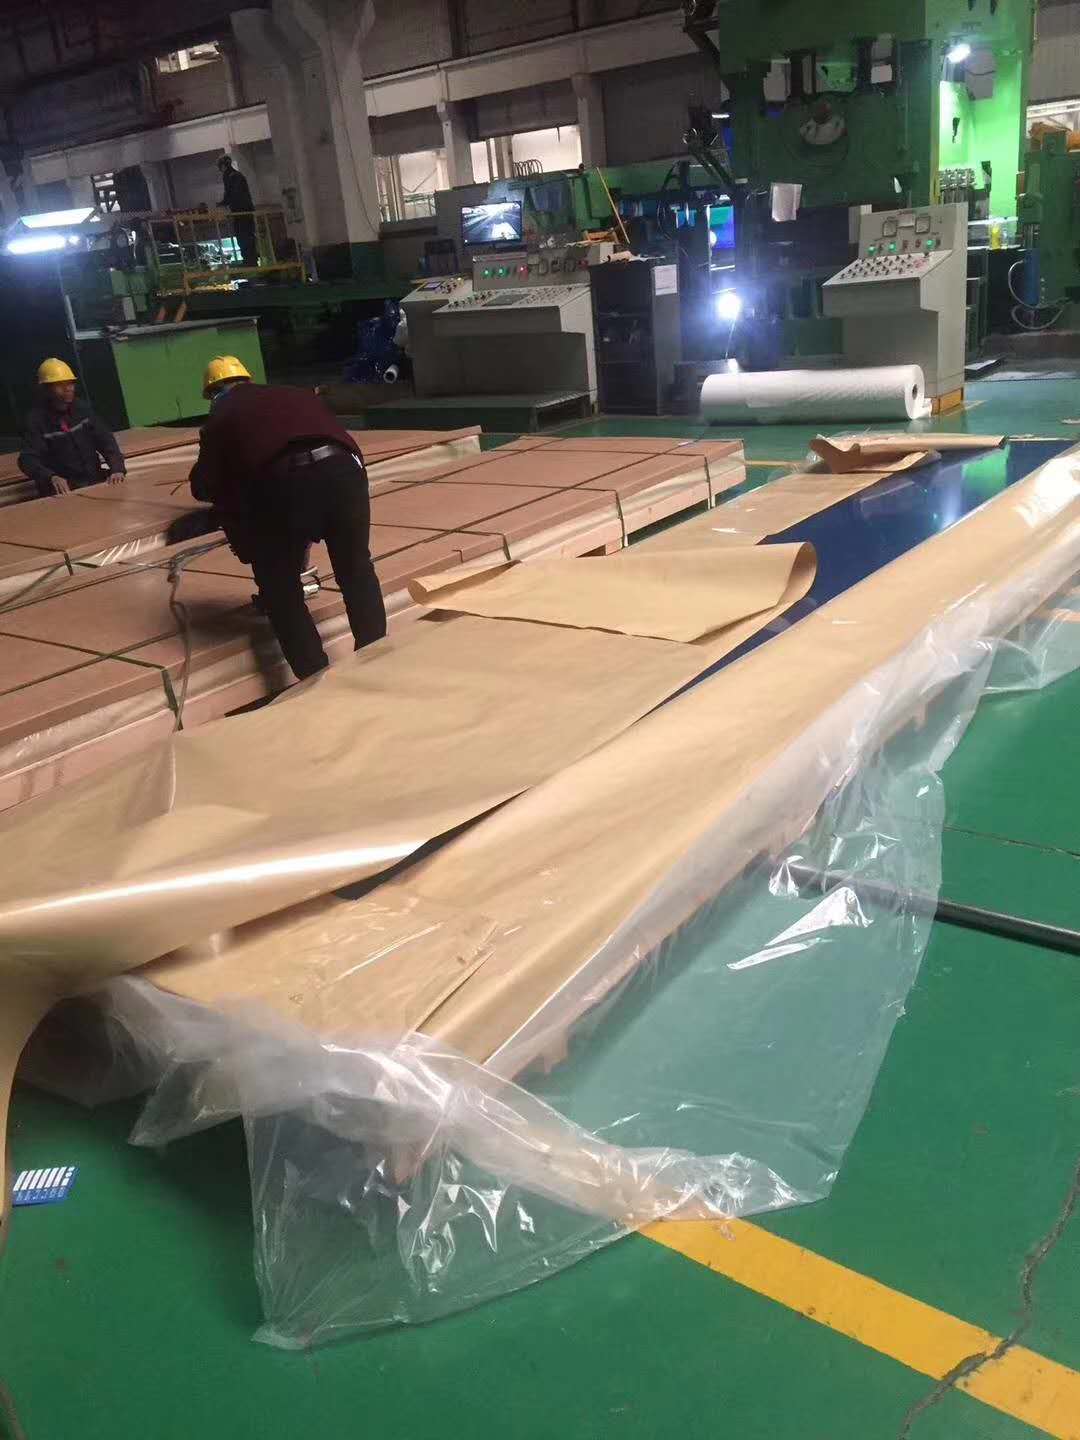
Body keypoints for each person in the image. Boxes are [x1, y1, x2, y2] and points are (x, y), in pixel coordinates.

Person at [190, 356, 387, 680]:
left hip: (283, 481)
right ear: (247, 380)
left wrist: (247, 539)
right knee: (356, 570)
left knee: (281, 591)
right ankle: (377, 660)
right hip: (345, 470)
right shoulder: (292, 393)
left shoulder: (221, 415)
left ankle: (315, 680)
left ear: (213, 394)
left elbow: (205, 486)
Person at [18, 359, 126, 498]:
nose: (68, 389)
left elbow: (105, 440)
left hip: (94, 480)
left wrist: (117, 469)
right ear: (46, 389)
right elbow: (27, 459)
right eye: (60, 385)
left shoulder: (82, 409)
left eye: (70, 383)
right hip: (63, 490)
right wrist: (51, 477)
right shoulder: (36, 421)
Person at [217, 154, 258, 269]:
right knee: (245, 236)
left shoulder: (232, 176)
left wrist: (224, 203)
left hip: (241, 212)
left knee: (244, 236)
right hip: (243, 211)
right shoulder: (234, 175)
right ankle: (250, 260)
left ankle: (250, 261)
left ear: (223, 165)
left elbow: (233, 194)